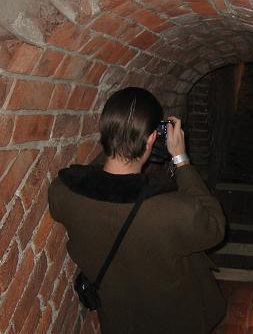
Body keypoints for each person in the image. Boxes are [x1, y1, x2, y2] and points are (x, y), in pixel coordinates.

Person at [48, 87, 226, 333]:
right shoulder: (173, 211)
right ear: (152, 138)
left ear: (106, 132)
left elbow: (92, 178)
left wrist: (118, 144)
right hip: (174, 320)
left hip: (119, 319)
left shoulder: (63, 193)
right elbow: (215, 226)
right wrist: (181, 159)